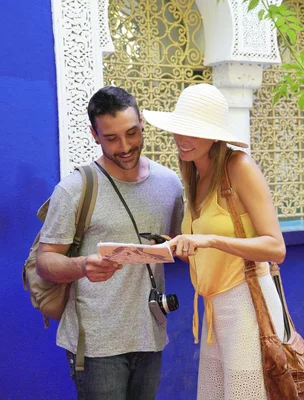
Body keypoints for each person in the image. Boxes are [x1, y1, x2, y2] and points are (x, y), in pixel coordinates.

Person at [36, 86, 184, 399]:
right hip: (96, 345)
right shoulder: (75, 188)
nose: (126, 146)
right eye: (112, 138)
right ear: (94, 134)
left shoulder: (170, 185)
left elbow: (177, 246)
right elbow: (45, 262)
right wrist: (82, 266)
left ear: (142, 121)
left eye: (132, 133)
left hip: (151, 334)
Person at [143, 83, 286, 400]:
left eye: (193, 131)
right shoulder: (194, 175)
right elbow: (206, 248)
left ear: (215, 134)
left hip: (247, 302)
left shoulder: (239, 167)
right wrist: (176, 247)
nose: (182, 139)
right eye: (179, 129)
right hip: (213, 307)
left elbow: (276, 247)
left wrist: (212, 240)